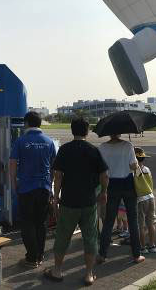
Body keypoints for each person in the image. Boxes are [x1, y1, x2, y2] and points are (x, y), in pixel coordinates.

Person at [44, 118, 108, 286]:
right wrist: (104, 192)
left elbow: (58, 176)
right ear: (87, 131)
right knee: (90, 237)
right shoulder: (94, 150)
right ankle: (88, 274)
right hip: (89, 202)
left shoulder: (64, 149)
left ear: (72, 131)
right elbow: (104, 175)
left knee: (63, 236)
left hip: (68, 202)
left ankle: (57, 271)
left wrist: (56, 197)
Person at [9, 111, 57, 268]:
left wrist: (13, 183)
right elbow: (53, 167)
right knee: (40, 223)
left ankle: (31, 257)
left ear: (27, 123)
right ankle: (40, 255)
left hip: (26, 188)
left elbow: (13, 164)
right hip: (44, 188)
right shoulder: (49, 142)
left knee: (28, 223)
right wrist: (50, 184)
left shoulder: (20, 141)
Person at [97, 134, 144, 265]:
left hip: (111, 185)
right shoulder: (127, 145)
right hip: (128, 184)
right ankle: (137, 254)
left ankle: (102, 254)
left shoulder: (102, 147)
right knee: (133, 219)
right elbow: (133, 166)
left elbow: (101, 169)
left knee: (108, 220)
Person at [134, 147, 156, 254]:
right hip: (150, 197)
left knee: (141, 225)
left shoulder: (134, 171)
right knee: (150, 223)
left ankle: (142, 247)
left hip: (140, 199)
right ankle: (152, 245)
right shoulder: (147, 169)